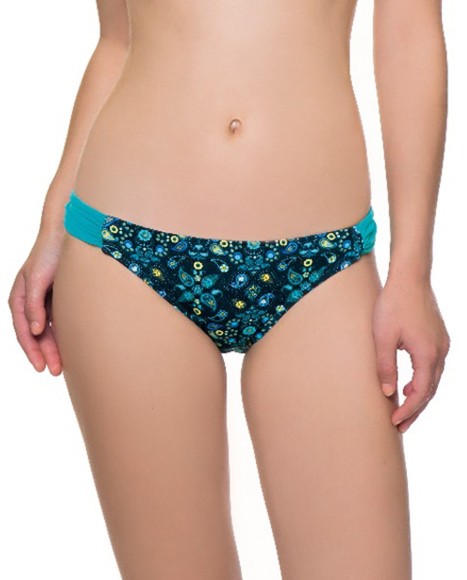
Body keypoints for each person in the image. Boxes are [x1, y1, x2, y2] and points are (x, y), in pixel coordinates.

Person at [8, 0, 451, 578]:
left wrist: (412, 273)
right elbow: (118, 41)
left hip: (324, 261)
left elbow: (409, 33)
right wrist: (51, 227)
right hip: (125, 247)